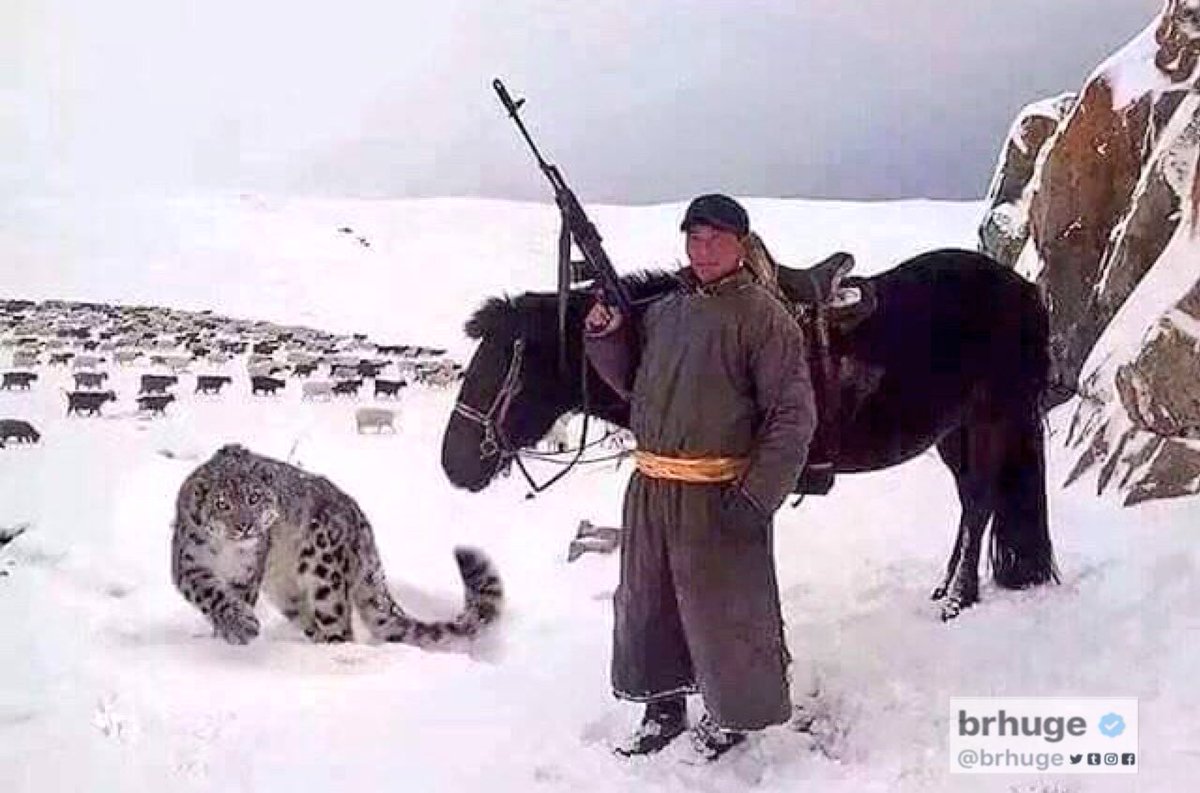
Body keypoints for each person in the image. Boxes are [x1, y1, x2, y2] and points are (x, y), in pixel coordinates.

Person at [583, 194, 817, 761]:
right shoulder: (666, 312)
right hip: (653, 489)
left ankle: (731, 715)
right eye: (694, 238)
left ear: (742, 243)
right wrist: (607, 337)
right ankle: (662, 707)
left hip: (719, 494)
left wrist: (757, 497)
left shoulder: (764, 318)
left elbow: (793, 416)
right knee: (649, 603)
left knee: (723, 610)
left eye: (715, 238)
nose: (703, 249)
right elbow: (638, 388)